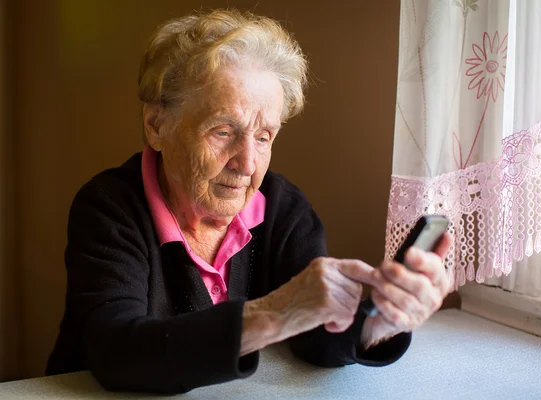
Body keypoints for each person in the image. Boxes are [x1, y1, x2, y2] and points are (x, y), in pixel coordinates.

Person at [46, 9, 452, 394]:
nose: (246, 164)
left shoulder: (281, 208)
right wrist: (275, 314)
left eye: (263, 137)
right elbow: (116, 351)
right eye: (223, 131)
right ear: (156, 125)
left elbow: (315, 336)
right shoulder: (110, 208)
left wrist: (381, 321)